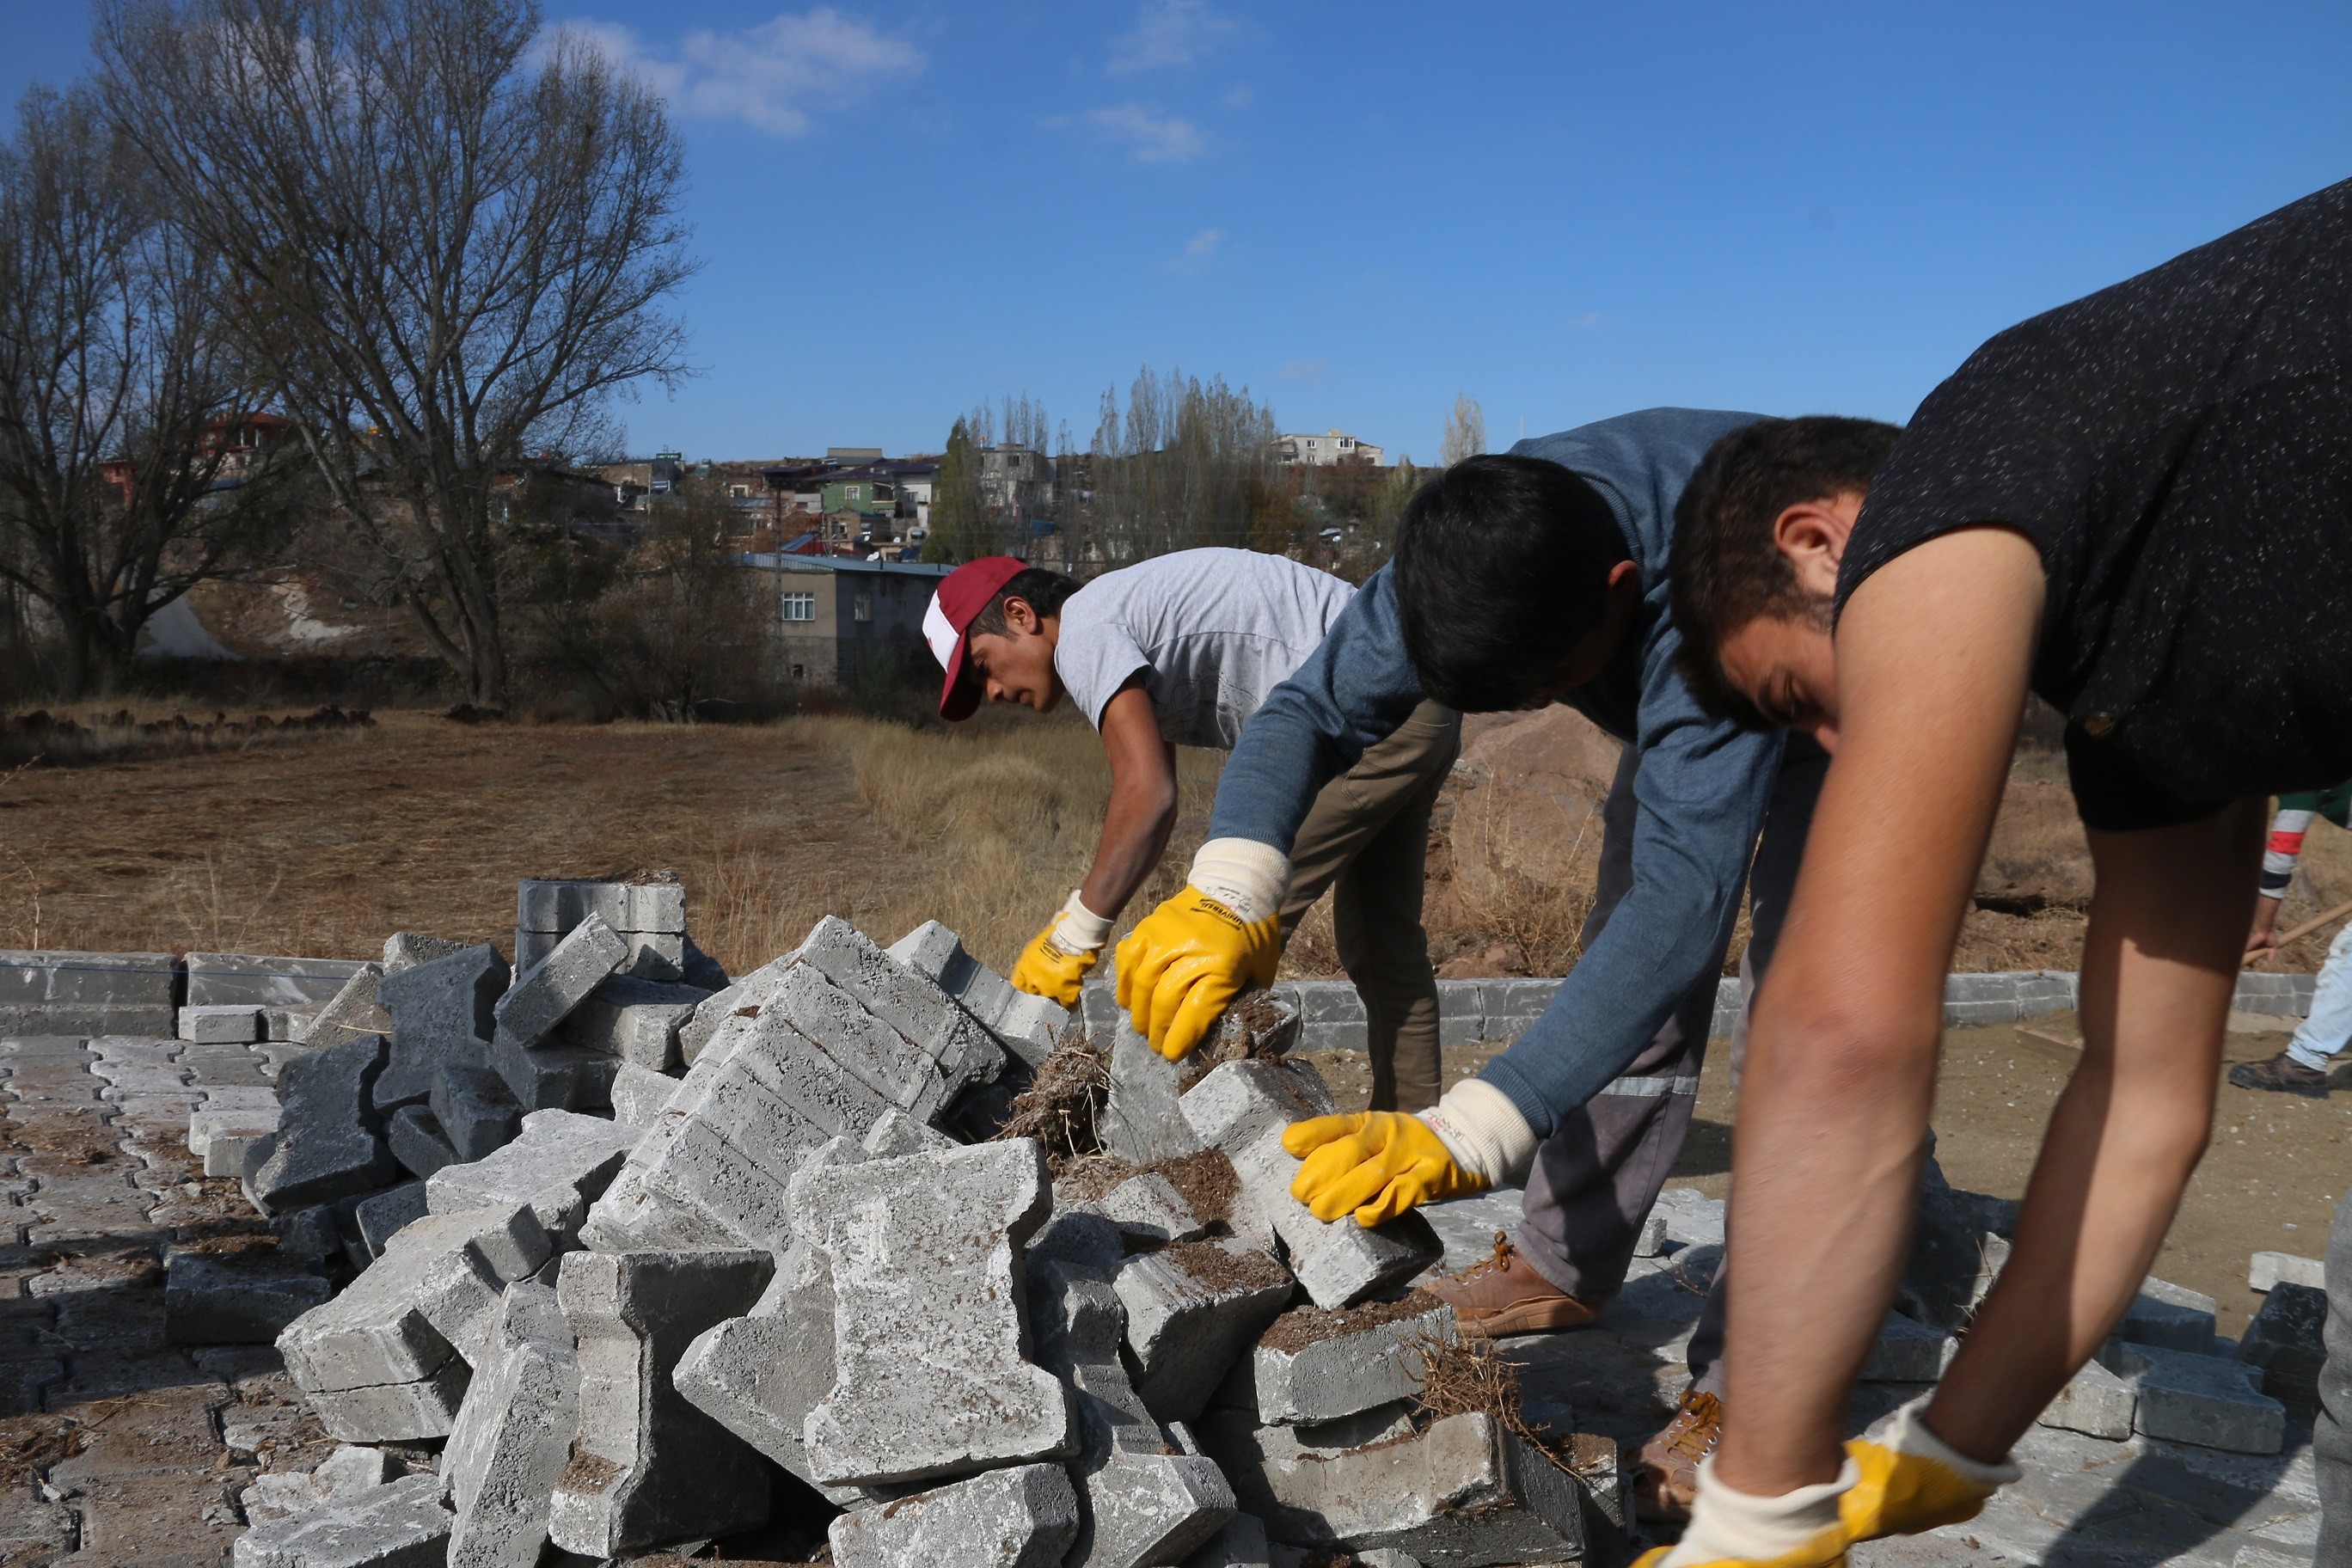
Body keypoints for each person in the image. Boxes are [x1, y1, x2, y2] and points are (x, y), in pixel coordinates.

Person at [1644, 179, 2352, 1567]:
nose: (1841, 743)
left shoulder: (1953, 481)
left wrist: (1759, 1501)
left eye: (1802, 696)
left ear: (1820, 538)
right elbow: (2146, 1096)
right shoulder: (2139, 712)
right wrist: (1956, 1441)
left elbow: (1843, 1030)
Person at [1110, 406, 1856, 1519]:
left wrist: (1484, 1121)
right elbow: (1307, 711)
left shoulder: (1714, 588)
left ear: (1612, 591)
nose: (1540, 711)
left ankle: (1759, 1397)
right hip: (1666, 676)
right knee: (1627, 978)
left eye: (1549, 682)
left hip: (1832, 667)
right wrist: (1232, 884)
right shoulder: (1472, 549)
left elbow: (1687, 903)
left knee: (1819, 1022)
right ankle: (1564, 1263)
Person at [921, 548, 1461, 1111]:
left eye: (983, 668)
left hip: (1373, 712)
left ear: (1020, 615)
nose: (994, 694)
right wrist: (1083, 921)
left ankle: (1196, 1155)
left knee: (1224, 935)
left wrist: (1073, 933)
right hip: (1422, 700)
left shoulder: (1085, 628)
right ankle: (1406, 1151)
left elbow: (1148, 794)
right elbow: (1151, 809)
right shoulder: (1125, 615)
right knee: (1381, 948)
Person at [2234, 783, 2352, 1098]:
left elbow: (2282, 853)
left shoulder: (2308, 769)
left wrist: (2262, 927)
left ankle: (2304, 1064)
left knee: (2350, 952)